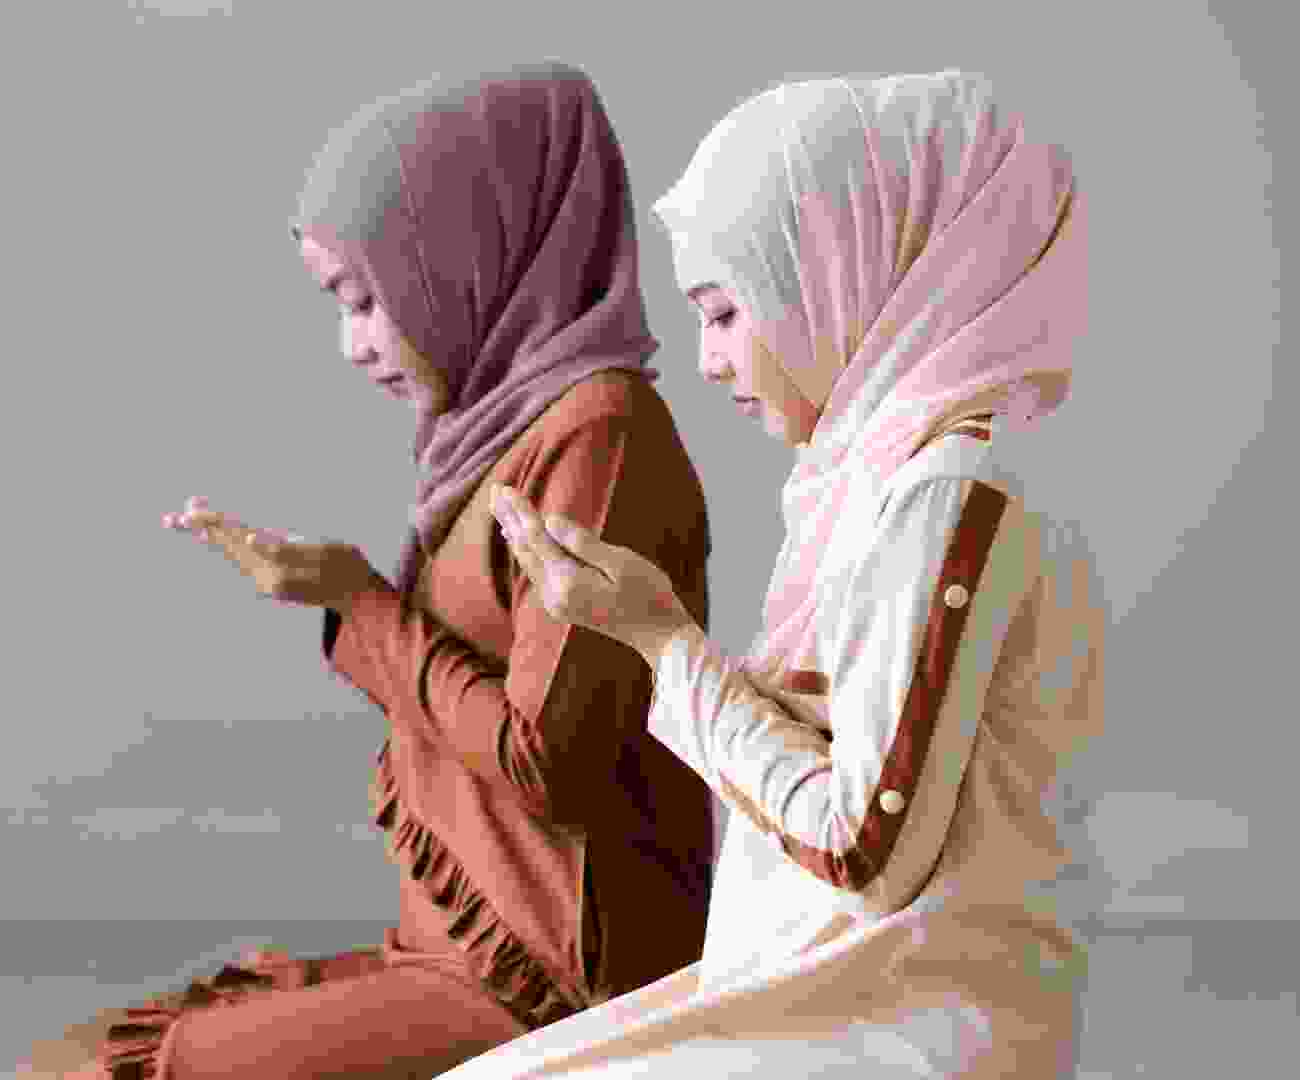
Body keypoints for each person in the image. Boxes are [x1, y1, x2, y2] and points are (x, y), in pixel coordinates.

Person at [20, 61, 716, 1079]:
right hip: (462, 949)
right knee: (74, 1053)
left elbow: (548, 765)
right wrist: (339, 601)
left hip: (552, 979)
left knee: (111, 1074)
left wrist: (360, 604)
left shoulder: (599, 433)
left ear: (469, 251)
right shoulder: (504, 435)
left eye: (364, 298)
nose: (353, 344)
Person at [443, 69, 1104, 1078]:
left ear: (836, 277)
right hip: (835, 985)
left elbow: (860, 848)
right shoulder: (877, 492)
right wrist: (645, 628)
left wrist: (660, 640)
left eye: (723, 313)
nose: (707, 362)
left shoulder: (943, 497)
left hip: (911, 1015)